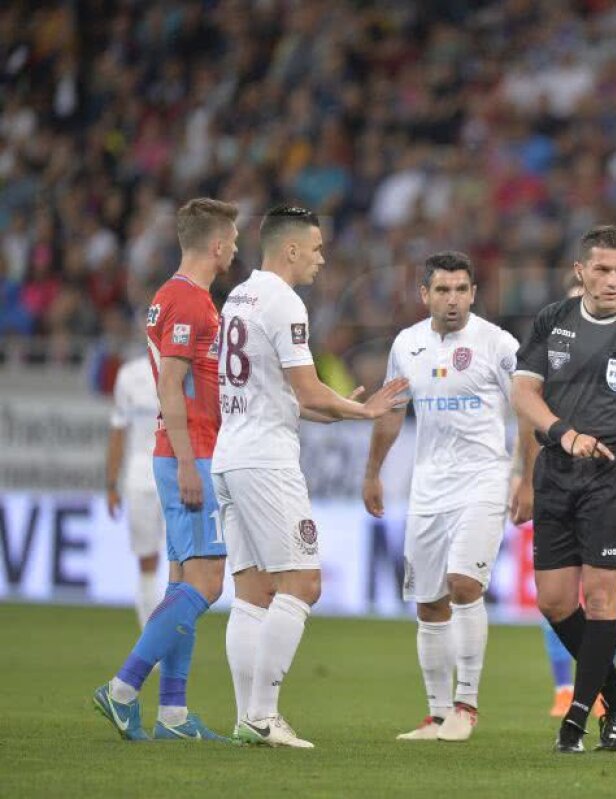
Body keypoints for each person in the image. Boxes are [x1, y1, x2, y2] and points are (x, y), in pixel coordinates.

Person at [213, 205, 406, 748]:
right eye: (317, 248)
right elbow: (306, 391)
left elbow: (293, 399)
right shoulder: (284, 302)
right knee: (303, 583)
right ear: (291, 248)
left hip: (231, 455)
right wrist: (363, 412)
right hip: (266, 462)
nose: (322, 259)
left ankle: (245, 716)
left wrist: (336, 406)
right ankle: (264, 714)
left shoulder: (239, 296)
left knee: (252, 593)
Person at [512, 224, 616, 754]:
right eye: (602, 270)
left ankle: (577, 721)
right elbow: (522, 393)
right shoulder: (553, 321)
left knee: (602, 597)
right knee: (555, 601)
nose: (613, 280)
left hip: (611, 476)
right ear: (580, 272)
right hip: (556, 473)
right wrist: (564, 435)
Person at [92, 198, 241, 743]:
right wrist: (186, 461)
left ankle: (173, 714)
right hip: (191, 451)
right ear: (218, 244)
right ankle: (123, 688)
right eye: (234, 239)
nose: (237, 248)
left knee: (181, 581)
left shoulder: (175, 297)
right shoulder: (189, 302)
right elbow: (170, 387)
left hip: (189, 449)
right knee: (206, 583)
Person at [361, 251, 520, 743]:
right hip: (428, 485)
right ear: (424, 294)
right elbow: (391, 409)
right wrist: (372, 472)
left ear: (474, 293)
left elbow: (530, 412)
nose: (452, 300)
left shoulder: (498, 344)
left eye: (461, 290)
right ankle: (435, 716)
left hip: (484, 479)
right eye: (442, 290)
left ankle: (466, 707)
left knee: (463, 585)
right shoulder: (407, 344)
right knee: (428, 602)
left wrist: (526, 477)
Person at [105, 351, 166, 628]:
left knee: (186, 563)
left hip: (178, 476)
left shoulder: (189, 369)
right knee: (147, 558)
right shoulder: (129, 375)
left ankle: (174, 635)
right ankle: (149, 636)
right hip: (140, 477)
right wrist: (111, 484)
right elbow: (118, 430)